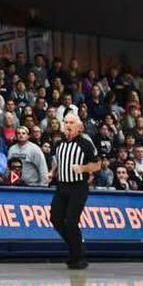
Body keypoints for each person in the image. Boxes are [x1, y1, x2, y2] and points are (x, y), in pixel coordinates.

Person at [50, 115, 100, 268]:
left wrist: (83, 168)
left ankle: (79, 255)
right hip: (61, 186)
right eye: (66, 122)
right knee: (56, 219)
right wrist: (53, 172)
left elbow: (97, 165)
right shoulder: (59, 144)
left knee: (71, 221)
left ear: (79, 127)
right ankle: (75, 248)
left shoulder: (85, 144)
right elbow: (58, 162)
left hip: (78, 187)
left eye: (71, 123)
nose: (68, 125)